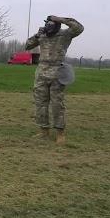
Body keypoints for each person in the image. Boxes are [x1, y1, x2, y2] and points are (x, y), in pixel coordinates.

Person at [25, 15, 84, 144]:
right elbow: (27, 46)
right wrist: (37, 35)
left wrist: (60, 19)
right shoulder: (43, 35)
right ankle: (43, 131)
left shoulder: (65, 35)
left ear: (57, 25)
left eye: (51, 24)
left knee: (57, 104)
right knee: (41, 103)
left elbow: (79, 28)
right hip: (41, 72)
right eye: (47, 24)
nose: (48, 27)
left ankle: (60, 133)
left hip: (57, 72)